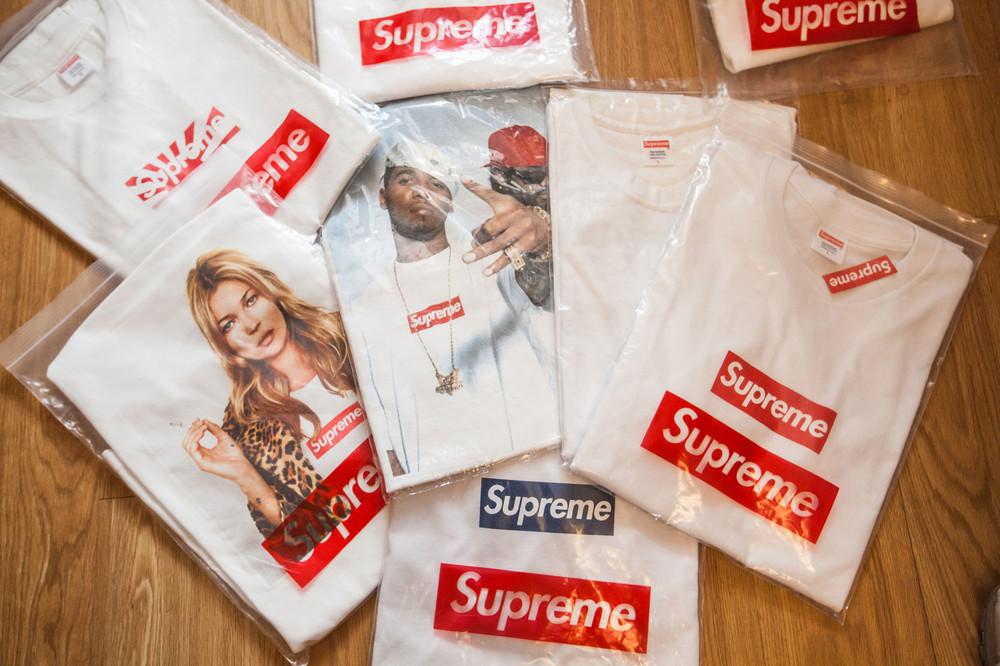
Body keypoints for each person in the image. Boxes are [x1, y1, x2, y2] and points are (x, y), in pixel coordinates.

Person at [350, 139, 558, 482]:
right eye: (406, 179)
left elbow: (546, 286)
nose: (422, 190)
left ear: (450, 203)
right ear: (383, 197)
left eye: (436, 184)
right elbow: (377, 413)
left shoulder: (494, 258)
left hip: (537, 464)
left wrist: (540, 229)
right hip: (441, 487)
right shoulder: (364, 307)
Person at [179, 249, 364, 537]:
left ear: (271, 291)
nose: (250, 325)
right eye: (229, 324)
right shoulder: (245, 425)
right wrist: (245, 475)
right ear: (224, 344)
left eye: (251, 300)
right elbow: (301, 543)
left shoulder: (350, 331)